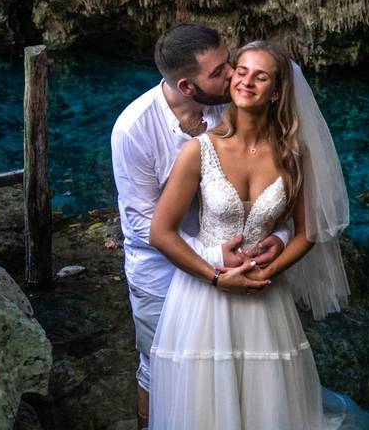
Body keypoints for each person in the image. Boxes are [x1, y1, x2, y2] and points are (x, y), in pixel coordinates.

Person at [148, 41, 356, 429]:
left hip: (265, 294)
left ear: (276, 91)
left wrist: (271, 269)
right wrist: (216, 275)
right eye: (241, 71)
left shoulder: (294, 156)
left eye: (260, 76)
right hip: (204, 296)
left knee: (267, 405)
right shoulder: (199, 151)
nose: (246, 81)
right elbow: (160, 232)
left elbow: (308, 231)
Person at [111, 25, 291, 428]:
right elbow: (143, 225)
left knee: (230, 366)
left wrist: (277, 236)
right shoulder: (134, 130)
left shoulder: (229, 106)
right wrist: (214, 258)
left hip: (233, 262)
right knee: (160, 365)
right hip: (160, 270)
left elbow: (270, 189)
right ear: (186, 87)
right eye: (219, 71)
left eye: (228, 62)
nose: (232, 75)